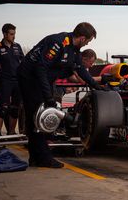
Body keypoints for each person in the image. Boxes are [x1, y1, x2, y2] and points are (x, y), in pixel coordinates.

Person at [17, 22, 102, 168]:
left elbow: (80, 70)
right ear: (82, 38)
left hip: (41, 78)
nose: (87, 43)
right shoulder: (58, 43)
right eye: (88, 41)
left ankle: (36, 157)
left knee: (36, 117)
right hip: (30, 77)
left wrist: (97, 86)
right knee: (38, 116)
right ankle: (43, 157)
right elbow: (40, 69)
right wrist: (48, 97)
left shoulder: (74, 50)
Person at [0, 23, 24, 135]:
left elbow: (24, 64)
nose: (14, 36)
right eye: (11, 34)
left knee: (15, 109)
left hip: (17, 82)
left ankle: (12, 132)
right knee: (2, 108)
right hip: (3, 81)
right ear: (4, 34)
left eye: (14, 34)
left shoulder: (17, 46)